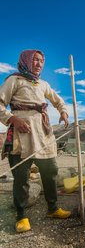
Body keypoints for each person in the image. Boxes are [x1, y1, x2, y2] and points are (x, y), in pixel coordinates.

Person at [0, 49, 71, 233]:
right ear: (26, 60)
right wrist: (12, 119)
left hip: (43, 134)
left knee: (51, 171)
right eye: (35, 60)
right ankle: (21, 215)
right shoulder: (14, 80)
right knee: (21, 177)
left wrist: (63, 111)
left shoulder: (43, 84)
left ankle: (53, 208)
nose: (39, 63)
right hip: (21, 136)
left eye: (41, 61)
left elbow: (57, 100)